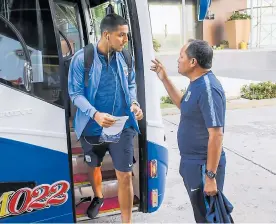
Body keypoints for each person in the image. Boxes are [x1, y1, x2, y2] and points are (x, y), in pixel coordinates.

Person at [68, 13, 143, 223]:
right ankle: (99, 196)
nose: (126, 40)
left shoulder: (126, 57)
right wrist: (96, 114)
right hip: (92, 127)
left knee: (125, 175)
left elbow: (130, 85)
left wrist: (134, 104)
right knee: (94, 167)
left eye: (126, 35)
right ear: (106, 35)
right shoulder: (82, 59)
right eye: (121, 35)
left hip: (122, 126)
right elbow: (75, 94)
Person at [151, 39, 227, 223]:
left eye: (181, 56)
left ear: (193, 62)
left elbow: (216, 134)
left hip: (203, 166)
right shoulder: (197, 83)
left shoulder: (208, 89)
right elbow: (183, 105)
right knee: (201, 215)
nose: (178, 60)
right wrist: (165, 79)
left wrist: (210, 176)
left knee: (210, 218)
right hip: (192, 164)